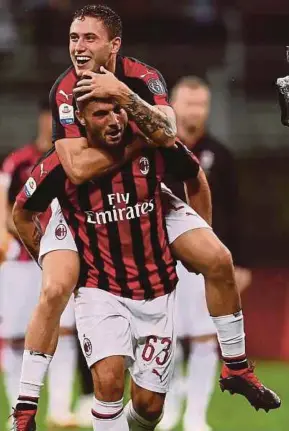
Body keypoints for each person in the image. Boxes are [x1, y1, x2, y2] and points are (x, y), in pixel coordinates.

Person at [12, 5, 280, 430]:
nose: (78, 47)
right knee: (59, 291)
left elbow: (182, 155)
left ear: (114, 45)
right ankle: (24, 408)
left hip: (151, 213)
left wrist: (124, 97)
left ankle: (236, 366)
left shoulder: (142, 77)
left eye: (89, 39)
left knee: (217, 259)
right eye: (73, 38)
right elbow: (76, 168)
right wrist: (141, 141)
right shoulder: (64, 90)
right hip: (85, 220)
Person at [13, 95, 207, 431]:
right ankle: (25, 407)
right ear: (82, 121)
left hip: (151, 284)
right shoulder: (62, 162)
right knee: (59, 296)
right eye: (100, 114)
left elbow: (193, 174)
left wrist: (202, 240)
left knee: (149, 407)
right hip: (98, 284)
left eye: (117, 111)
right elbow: (21, 210)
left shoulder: (150, 144)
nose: (112, 120)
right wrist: (48, 260)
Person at [159, 76, 253, 431]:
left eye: (202, 104)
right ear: (173, 104)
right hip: (163, 258)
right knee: (165, 337)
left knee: (201, 338)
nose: (195, 110)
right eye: (189, 103)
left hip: (206, 263)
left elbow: (234, 211)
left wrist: (239, 262)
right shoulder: (156, 150)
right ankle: (167, 410)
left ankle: (196, 415)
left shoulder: (221, 155)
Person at [0, 102, 77, 428]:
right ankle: (19, 408)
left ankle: (60, 408)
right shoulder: (18, 162)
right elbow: (4, 206)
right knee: (17, 337)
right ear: (42, 119)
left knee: (64, 330)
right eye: (51, 115)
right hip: (19, 260)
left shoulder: (74, 159)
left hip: (60, 256)